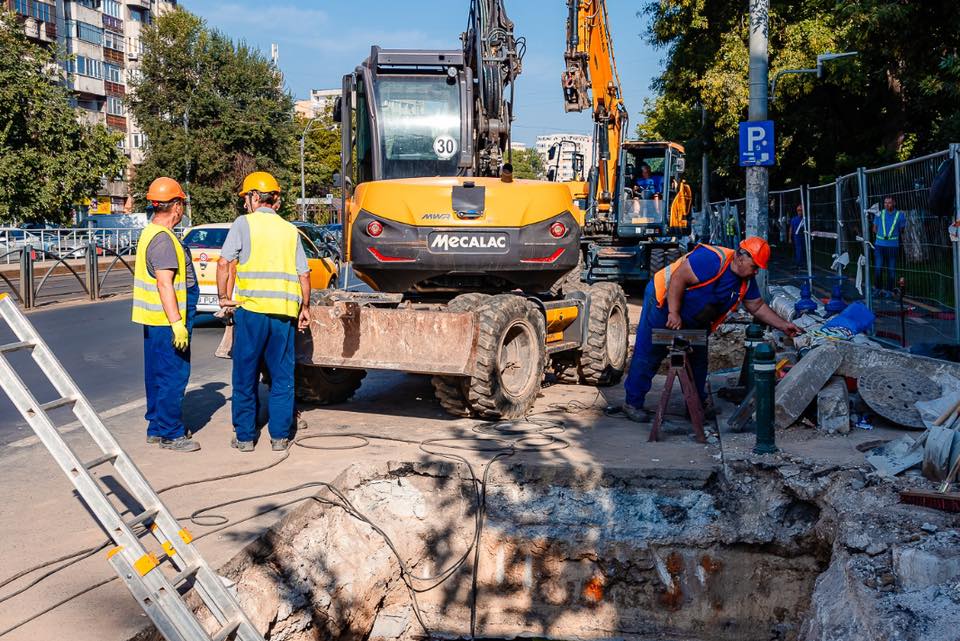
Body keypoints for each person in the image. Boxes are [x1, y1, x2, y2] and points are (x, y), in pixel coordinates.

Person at [622, 237, 802, 422]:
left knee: (698, 358)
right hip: (663, 301)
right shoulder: (711, 259)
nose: (755, 272)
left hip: (694, 317)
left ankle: (694, 406)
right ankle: (632, 403)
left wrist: (783, 325)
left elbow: (756, 306)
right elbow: (677, 279)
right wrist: (673, 313)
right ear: (741, 257)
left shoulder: (746, 281)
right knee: (650, 352)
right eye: (754, 266)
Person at [217, 171, 311, 452]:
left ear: (256, 197)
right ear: (276, 200)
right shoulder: (289, 230)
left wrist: (223, 297)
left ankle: (245, 438)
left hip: (251, 313)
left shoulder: (243, 224)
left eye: (247, 197)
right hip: (283, 315)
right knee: (283, 376)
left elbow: (224, 264)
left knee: (245, 374)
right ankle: (280, 437)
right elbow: (304, 274)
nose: (245, 203)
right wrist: (304, 308)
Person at [131, 177, 200, 452]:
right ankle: (171, 433)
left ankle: (156, 427)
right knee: (173, 375)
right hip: (168, 320)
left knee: (157, 375)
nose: (182, 208)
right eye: (181, 202)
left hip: (155, 319)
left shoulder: (153, 233)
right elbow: (164, 283)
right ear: (176, 206)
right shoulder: (162, 239)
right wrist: (177, 324)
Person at [872, 196, 905, 297]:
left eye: (889, 203)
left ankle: (889, 291)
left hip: (893, 246)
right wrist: (881, 236)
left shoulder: (900, 215)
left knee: (891, 269)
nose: (887, 205)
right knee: (878, 268)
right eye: (885, 203)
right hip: (879, 245)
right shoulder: (879, 214)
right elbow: (874, 229)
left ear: (894, 203)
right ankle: (877, 289)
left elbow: (902, 230)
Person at [789, 203, 806, 269]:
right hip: (797, 237)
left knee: (803, 249)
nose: (800, 212)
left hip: (804, 236)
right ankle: (798, 263)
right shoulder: (794, 219)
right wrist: (790, 238)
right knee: (798, 249)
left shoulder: (805, 219)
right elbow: (791, 228)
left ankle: (803, 263)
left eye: (801, 210)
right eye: (798, 210)